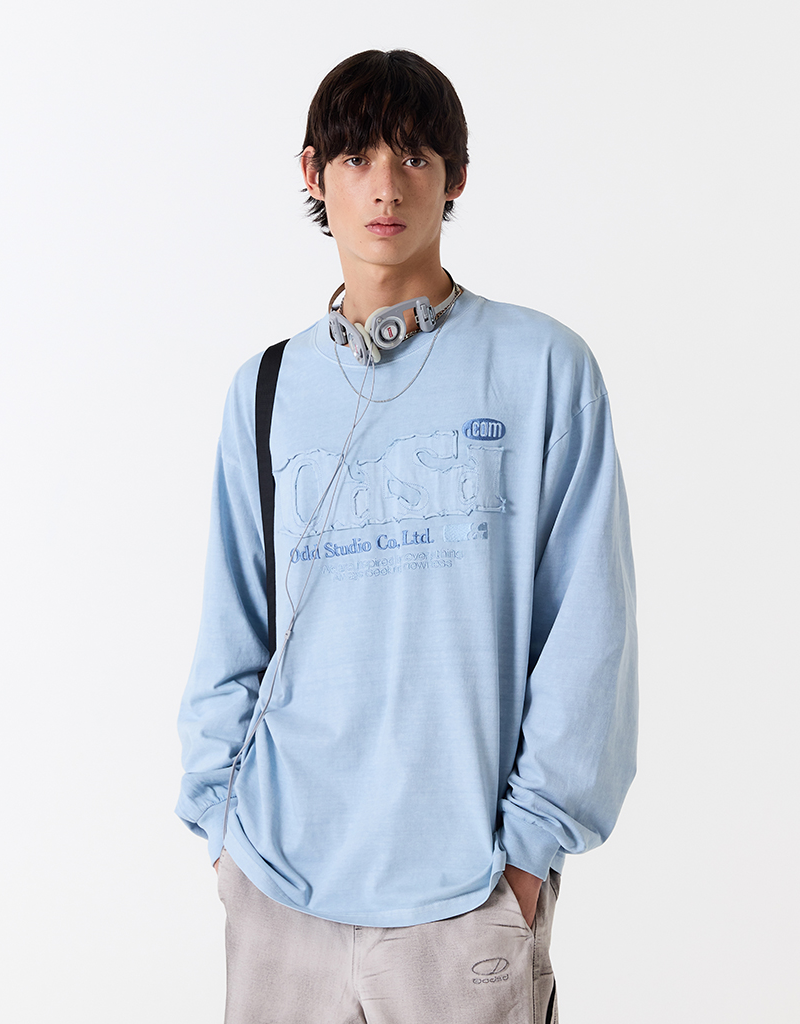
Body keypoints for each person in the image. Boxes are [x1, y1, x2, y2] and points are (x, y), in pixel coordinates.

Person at [176, 49, 638, 1024]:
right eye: (356, 158)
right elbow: (231, 624)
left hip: (463, 898)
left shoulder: (543, 368)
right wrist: (222, 827)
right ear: (315, 173)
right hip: (278, 889)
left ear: (455, 177)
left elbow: (589, 632)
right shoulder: (265, 390)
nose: (385, 187)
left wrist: (524, 859)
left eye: (415, 158)